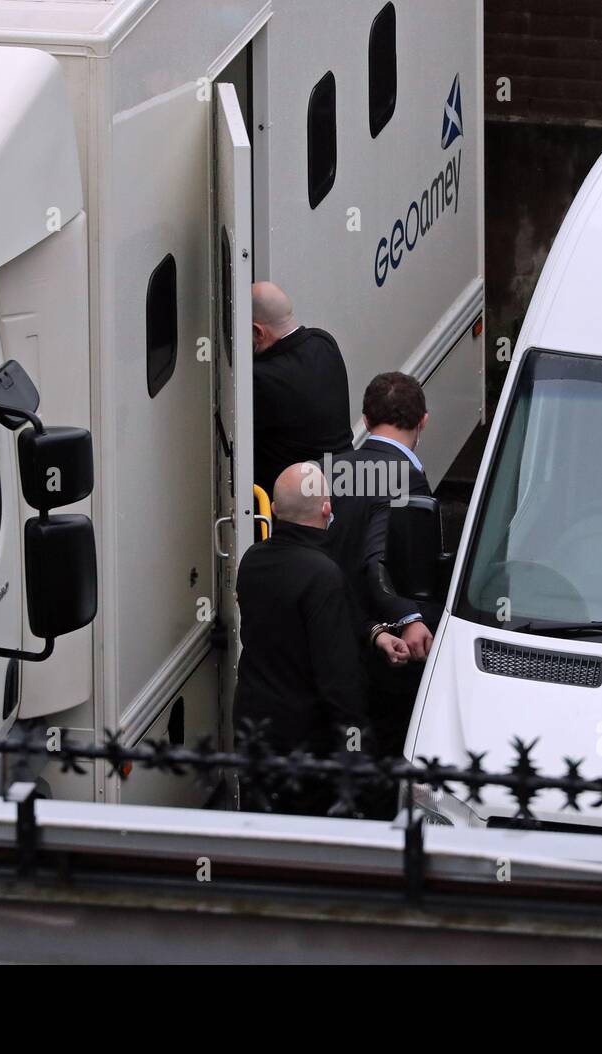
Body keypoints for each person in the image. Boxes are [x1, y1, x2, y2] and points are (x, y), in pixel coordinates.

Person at [235, 462, 408, 814]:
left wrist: (374, 634)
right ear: (327, 509)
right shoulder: (321, 573)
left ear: (277, 510)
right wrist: (358, 741)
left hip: (254, 724)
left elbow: (293, 621)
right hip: (304, 740)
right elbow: (337, 674)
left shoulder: (253, 560)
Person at [326, 373, 438, 758]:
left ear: (366, 419)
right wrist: (410, 616)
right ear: (423, 421)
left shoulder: (335, 470)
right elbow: (396, 566)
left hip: (336, 635)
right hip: (389, 652)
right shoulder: (410, 481)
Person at [251, 282, 354, 495]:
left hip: (299, 502)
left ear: (257, 331)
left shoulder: (262, 379)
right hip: (345, 483)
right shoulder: (324, 342)